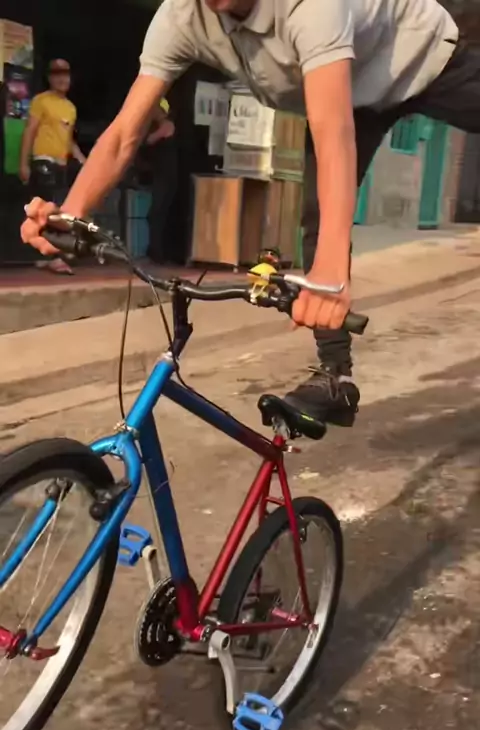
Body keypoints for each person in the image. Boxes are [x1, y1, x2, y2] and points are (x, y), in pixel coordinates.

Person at [20, 0, 480, 429]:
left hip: (417, 57)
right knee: (316, 215)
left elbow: (332, 132)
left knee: (328, 250)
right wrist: (70, 216)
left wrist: (331, 277)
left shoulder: (309, 7)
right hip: (352, 94)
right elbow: (126, 131)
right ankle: (335, 377)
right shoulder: (182, 15)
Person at [20, 58, 85, 274]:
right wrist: (24, 163)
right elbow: (30, 131)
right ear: (49, 78)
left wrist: (84, 161)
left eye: (65, 74)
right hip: (43, 160)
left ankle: (45, 254)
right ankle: (53, 257)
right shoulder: (41, 101)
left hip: (61, 163)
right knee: (45, 208)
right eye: (56, 74)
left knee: (57, 209)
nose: (61, 79)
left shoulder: (71, 108)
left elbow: (69, 140)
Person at [144, 98, 178, 264]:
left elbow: (149, 140)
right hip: (161, 174)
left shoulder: (167, 126)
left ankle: (157, 252)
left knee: (157, 213)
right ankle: (155, 250)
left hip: (166, 176)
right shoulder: (158, 126)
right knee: (157, 214)